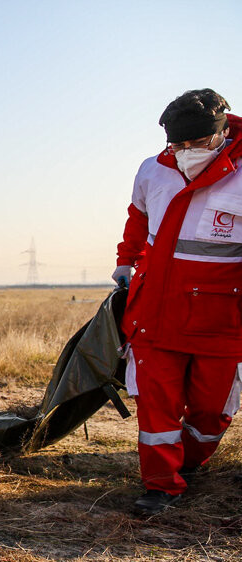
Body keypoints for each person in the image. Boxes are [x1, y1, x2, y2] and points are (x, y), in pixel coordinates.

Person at [113, 89, 242, 516]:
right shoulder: (152, 171)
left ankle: (191, 460)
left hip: (221, 319)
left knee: (211, 409)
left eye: (197, 143)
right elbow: (138, 217)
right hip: (156, 311)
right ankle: (161, 485)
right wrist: (125, 263)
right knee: (157, 402)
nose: (186, 152)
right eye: (177, 144)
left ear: (222, 132)